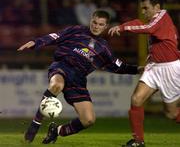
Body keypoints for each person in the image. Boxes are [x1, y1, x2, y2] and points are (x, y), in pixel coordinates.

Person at [18, 10, 142, 144]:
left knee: (88, 120)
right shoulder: (76, 30)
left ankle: (57, 131)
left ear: (105, 27)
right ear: (91, 21)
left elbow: (119, 66)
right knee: (56, 85)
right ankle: (35, 125)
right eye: (94, 22)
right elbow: (56, 36)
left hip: (78, 80)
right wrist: (36, 42)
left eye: (101, 24)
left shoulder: (104, 48)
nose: (96, 26)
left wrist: (138, 69)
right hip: (62, 66)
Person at [108, 0, 180, 147]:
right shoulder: (159, 20)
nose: (143, 11)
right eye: (142, 8)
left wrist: (123, 27)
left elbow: (149, 28)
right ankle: (138, 141)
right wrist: (152, 56)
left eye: (146, 8)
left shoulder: (161, 17)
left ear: (157, 7)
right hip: (155, 67)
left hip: (169, 69)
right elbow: (160, 37)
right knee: (136, 99)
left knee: (171, 114)